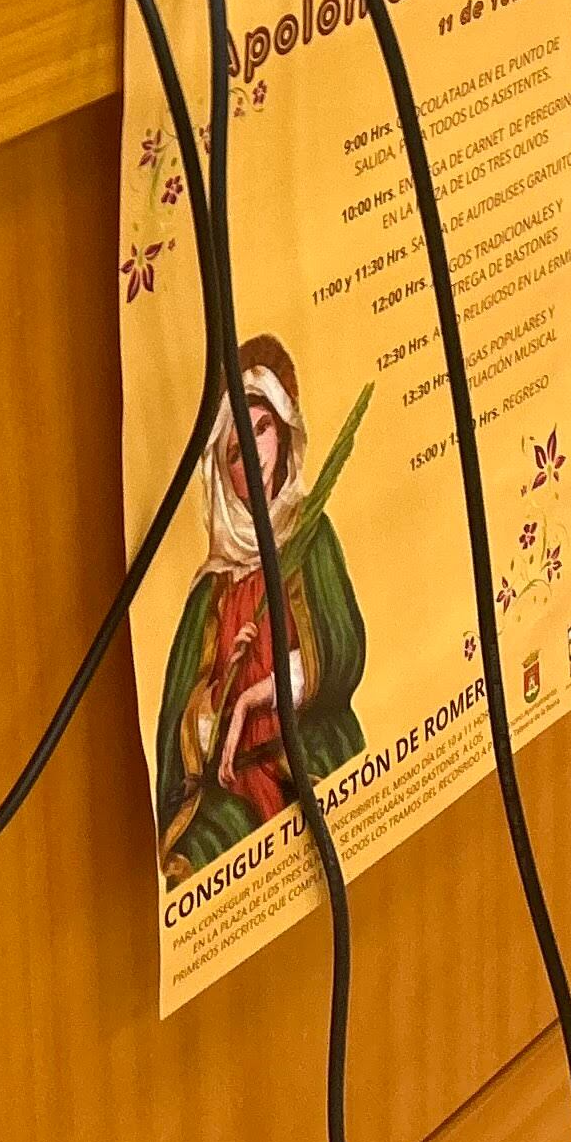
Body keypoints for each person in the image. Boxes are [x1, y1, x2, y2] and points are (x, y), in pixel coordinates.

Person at [152, 337, 375, 882]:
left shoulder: (310, 538)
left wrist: (261, 692)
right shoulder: (211, 593)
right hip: (231, 782)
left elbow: (345, 650)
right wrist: (217, 701)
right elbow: (173, 736)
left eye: (261, 430)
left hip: (308, 748)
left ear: (284, 435)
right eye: (234, 451)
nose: (251, 455)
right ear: (222, 477)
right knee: (197, 865)